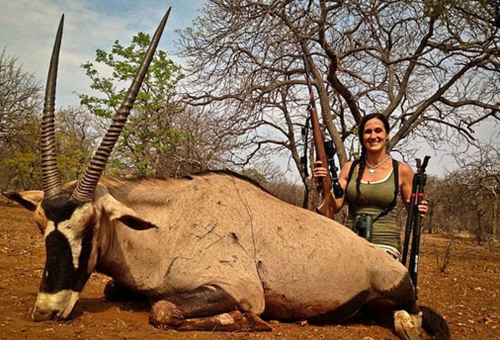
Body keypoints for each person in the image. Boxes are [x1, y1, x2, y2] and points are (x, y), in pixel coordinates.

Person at [312, 113, 428, 260]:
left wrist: (420, 209)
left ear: (387, 135)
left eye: (378, 131)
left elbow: (413, 209)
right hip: (351, 241)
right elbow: (334, 206)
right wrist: (323, 185)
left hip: (386, 244)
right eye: (368, 132)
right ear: (362, 138)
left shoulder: (402, 170)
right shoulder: (350, 168)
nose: (373, 136)